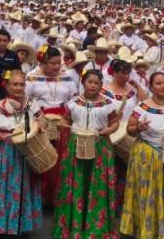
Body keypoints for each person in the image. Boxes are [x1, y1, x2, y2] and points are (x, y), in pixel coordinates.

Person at [120, 71, 164, 239]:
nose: (162, 86)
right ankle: (149, 230)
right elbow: (129, 130)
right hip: (149, 156)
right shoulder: (142, 107)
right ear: (151, 86)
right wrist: (139, 128)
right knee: (151, 194)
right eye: (158, 83)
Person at [54, 69, 119, 238]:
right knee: (77, 182)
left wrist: (107, 130)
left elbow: (115, 123)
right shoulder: (73, 103)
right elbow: (66, 120)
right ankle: (74, 226)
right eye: (89, 82)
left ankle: (95, 227)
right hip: (76, 146)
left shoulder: (109, 103)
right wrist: (61, 123)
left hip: (100, 147)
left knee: (96, 186)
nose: (92, 85)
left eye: (96, 83)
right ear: (83, 83)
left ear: (101, 85)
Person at [0, 69, 44, 235]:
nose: (19, 88)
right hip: (3, 150)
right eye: (15, 84)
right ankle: (0, 224)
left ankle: (21, 224)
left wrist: (40, 126)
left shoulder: (31, 103)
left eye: (22, 84)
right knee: (1, 186)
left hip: (25, 149)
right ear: (6, 86)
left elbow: (41, 119)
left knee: (23, 186)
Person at [25, 46, 78, 206]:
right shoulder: (31, 78)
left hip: (62, 122)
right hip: (40, 122)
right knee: (42, 157)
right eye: (52, 63)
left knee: (61, 160)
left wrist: (67, 117)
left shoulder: (67, 77)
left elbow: (74, 99)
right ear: (42, 62)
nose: (56, 67)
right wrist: (39, 118)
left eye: (58, 63)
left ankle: (57, 197)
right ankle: (39, 198)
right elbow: (25, 101)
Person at [102, 58, 147, 214]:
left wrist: (138, 86)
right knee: (111, 169)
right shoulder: (104, 90)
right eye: (123, 73)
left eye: (128, 72)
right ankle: (109, 204)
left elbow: (144, 103)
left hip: (129, 132)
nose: (126, 76)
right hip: (111, 133)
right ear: (114, 73)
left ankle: (127, 205)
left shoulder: (132, 90)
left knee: (128, 171)